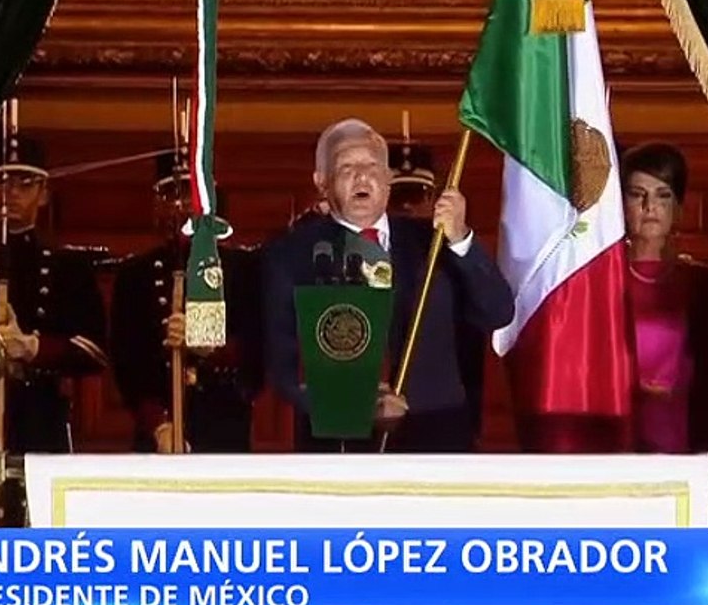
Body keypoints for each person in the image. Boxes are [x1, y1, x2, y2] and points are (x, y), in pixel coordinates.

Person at [263, 118, 513, 452]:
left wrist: (462, 240)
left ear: (389, 179)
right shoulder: (290, 255)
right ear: (322, 182)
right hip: (340, 444)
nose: (362, 177)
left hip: (437, 438)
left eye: (372, 167)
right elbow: (281, 363)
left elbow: (497, 312)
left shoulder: (434, 242)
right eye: (347, 167)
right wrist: (355, 409)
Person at [109, 151, 264, 453]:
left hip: (224, 429)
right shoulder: (135, 275)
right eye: (170, 194)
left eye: (190, 195)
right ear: (156, 204)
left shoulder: (243, 269)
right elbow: (127, 364)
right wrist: (159, 424)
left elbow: (259, 352)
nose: (180, 206)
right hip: (158, 432)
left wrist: (209, 346)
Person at [0, 135, 108, 453]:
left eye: (24, 184)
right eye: (1, 183)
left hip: (42, 414)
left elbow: (95, 351)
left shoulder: (66, 266)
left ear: (44, 193)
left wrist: (33, 347)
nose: (12, 194)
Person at [621, 142, 708, 454]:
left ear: (678, 207)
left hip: (684, 444)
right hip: (614, 443)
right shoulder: (600, 282)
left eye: (663, 195)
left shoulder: (705, 285)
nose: (650, 206)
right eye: (638, 194)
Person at [388, 137, 488, 444]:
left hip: (441, 416)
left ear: (433, 198)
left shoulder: (451, 252)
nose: (406, 205)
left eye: (417, 195)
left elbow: (489, 317)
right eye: (397, 195)